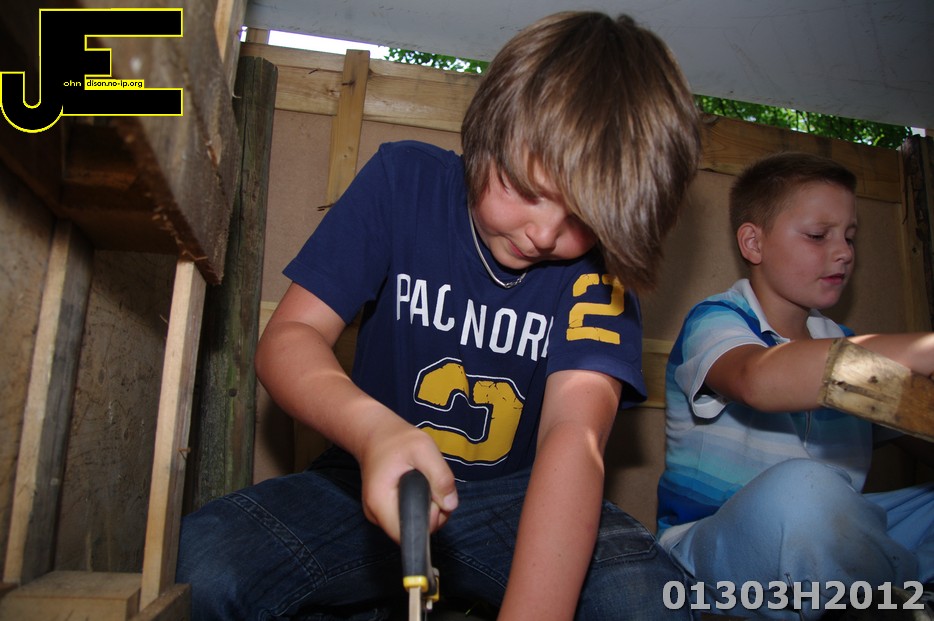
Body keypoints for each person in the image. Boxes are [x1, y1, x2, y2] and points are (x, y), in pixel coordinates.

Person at [177, 10, 702, 621]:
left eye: (583, 219)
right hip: (364, 475)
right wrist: (373, 432)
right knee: (200, 565)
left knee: (650, 600)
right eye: (527, 190)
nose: (543, 234)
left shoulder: (602, 272)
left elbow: (573, 440)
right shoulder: (400, 182)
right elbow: (290, 337)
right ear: (487, 131)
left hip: (521, 501)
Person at [656, 151, 934, 620]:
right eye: (818, 235)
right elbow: (758, 379)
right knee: (802, 489)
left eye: (850, 236)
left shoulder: (839, 341)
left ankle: (881, 595)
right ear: (754, 243)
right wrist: (924, 349)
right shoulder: (717, 321)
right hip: (715, 555)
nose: (844, 252)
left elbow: (919, 426)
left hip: (831, 548)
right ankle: (886, 596)